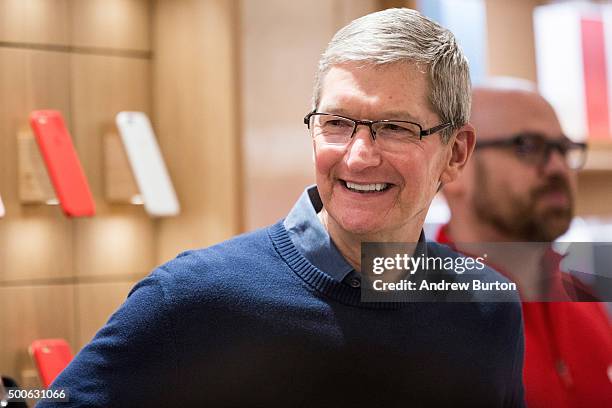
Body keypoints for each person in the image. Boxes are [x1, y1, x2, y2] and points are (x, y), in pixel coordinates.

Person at [39, 9, 525, 407]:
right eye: (336, 123)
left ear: (456, 153)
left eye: (396, 127)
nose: (357, 155)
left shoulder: (487, 306)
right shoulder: (194, 297)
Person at [440, 78, 612, 408]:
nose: (558, 167)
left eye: (563, 149)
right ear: (454, 166)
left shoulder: (583, 300)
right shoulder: (417, 319)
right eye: (527, 146)